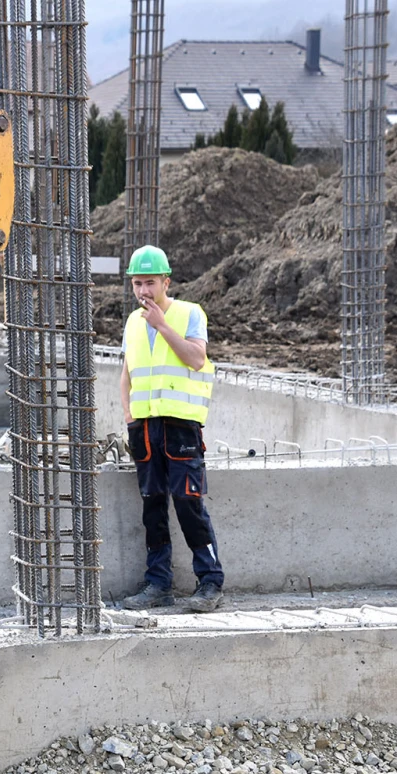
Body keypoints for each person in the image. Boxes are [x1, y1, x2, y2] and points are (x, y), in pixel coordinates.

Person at [119, 244, 225, 613]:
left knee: (188, 502)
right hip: (145, 428)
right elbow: (127, 374)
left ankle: (210, 581)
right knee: (152, 507)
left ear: (166, 281)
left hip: (181, 426)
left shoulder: (189, 314)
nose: (143, 292)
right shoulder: (133, 322)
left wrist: (162, 326)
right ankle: (158, 584)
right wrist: (130, 418)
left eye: (150, 283)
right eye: (137, 284)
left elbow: (197, 358)